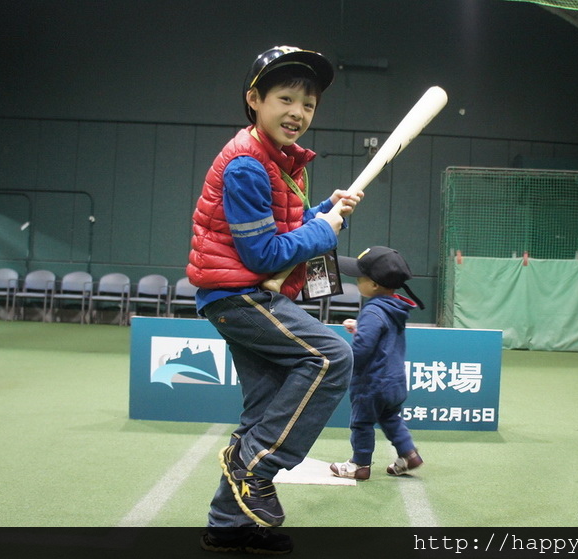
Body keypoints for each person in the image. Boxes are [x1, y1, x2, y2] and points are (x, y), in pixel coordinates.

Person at [188, 45, 363, 553]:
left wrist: (328, 209)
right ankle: (255, 468)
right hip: (238, 294)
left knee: (263, 410)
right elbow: (265, 253)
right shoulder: (246, 163)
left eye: (308, 105)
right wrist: (325, 232)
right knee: (332, 356)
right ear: (254, 100)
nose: (297, 113)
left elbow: (287, 231)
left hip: (244, 291)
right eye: (285, 98)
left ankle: (228, 525)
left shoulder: (280, 161)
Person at [328, 246, 426, 480]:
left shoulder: (373, 310)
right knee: (391, 418)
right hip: (394, 382)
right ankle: (408, 455)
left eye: (359, 277)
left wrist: (345, 364)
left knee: (361, 423)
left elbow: (362, 349)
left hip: (371, 383)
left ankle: (359, 465)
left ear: (373, 285)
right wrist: (360, 328)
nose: (356, 281)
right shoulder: (393, 308)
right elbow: (381, 337)